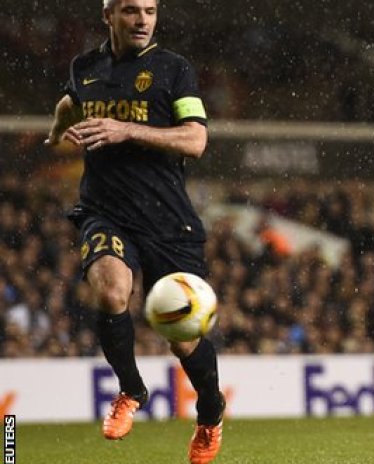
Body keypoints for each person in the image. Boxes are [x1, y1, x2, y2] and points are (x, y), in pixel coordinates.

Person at [45, 1, 224, 462]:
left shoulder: (174, 70)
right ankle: (131, 390)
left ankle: (210, 412)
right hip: (106, 211)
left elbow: (196, 140)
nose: (143, 20)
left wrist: (128, 130)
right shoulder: (85, 67)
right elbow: (70, 102)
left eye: (150, 10)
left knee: (183, 339)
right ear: (108, 16)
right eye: (130, 11)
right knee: (110, 291)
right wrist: (54, 133)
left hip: (169, 220)